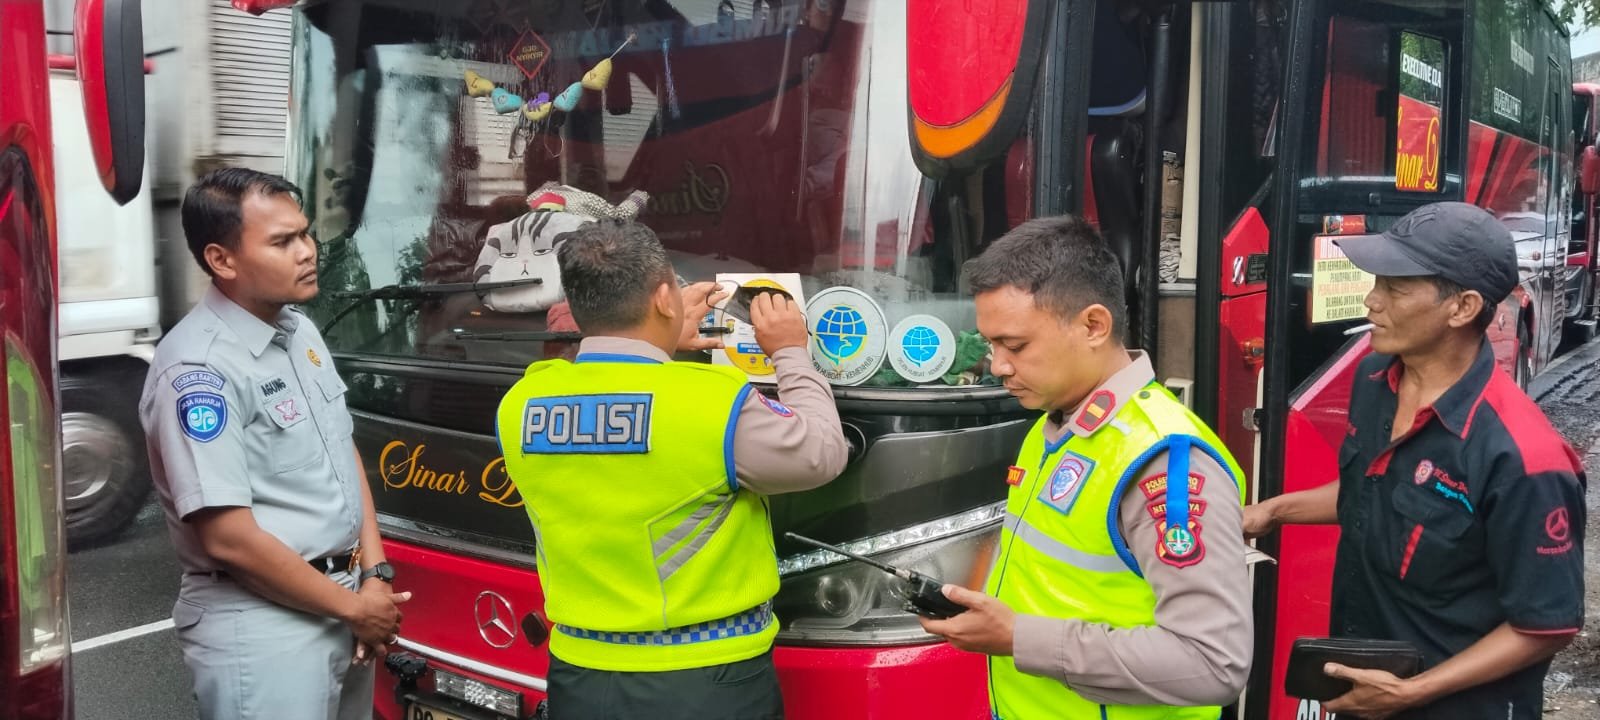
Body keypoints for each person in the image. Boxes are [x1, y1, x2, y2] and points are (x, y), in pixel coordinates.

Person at [1243, 202, 1587, 719]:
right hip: (1366, 688)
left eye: (1396, 288)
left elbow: (1545, 626)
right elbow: (1373, 490)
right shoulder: (1375, 380)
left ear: (1463, 307)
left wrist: (1413, 692)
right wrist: (1272, 512)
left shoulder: (1523, 458)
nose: (1371, 301)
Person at [495, 219, 850, 719]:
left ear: (575, 304)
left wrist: (659, 340)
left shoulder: (522, 402)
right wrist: (791, 351)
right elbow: (822, 452)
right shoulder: (713, 403)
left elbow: (602, 390)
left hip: (579, 674)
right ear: (665, 298)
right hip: (705, 679)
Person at [920, 216, 1253, 719]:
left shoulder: (1163, 461)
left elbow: (1213, 663)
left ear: (1094, 326)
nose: (998, 366)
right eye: (990, 345)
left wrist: (1019, 638)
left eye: (1015, 345)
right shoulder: (1055, 425)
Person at [139, 168, 410, 720]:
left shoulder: (298, 330)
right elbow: (229, 540)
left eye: (305, 233)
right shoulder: (199, 370)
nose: (308, 251)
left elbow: (341, 452)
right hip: (263, 624)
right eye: (283, 241)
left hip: (346, 600)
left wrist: (374, 576)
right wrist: (355, 608)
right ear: (222, 260)